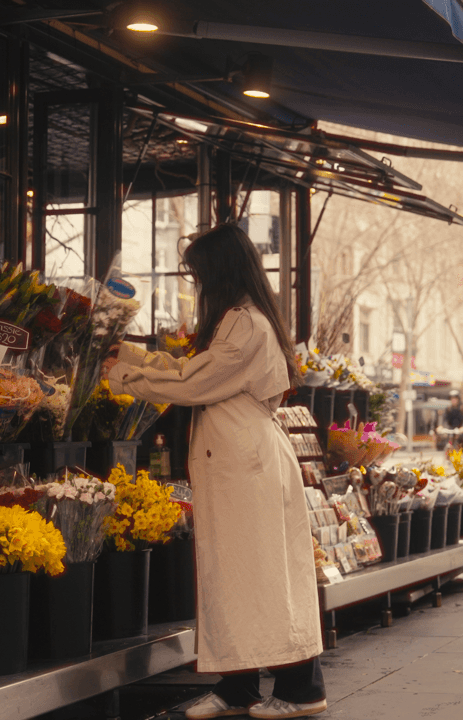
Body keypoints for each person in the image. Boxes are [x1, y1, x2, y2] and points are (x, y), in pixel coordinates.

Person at [102, 224, 326, 719]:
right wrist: (131, 357)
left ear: (219, 271)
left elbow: (194, 379)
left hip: (247, 464)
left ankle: (302, 688)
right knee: (235, 574)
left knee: (262, 575)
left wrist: (124, 370)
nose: (197, 283)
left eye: (200, 274)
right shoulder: (241, 319)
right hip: (238, 462)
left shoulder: (245, 323)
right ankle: (238, 685)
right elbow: (195, 368)